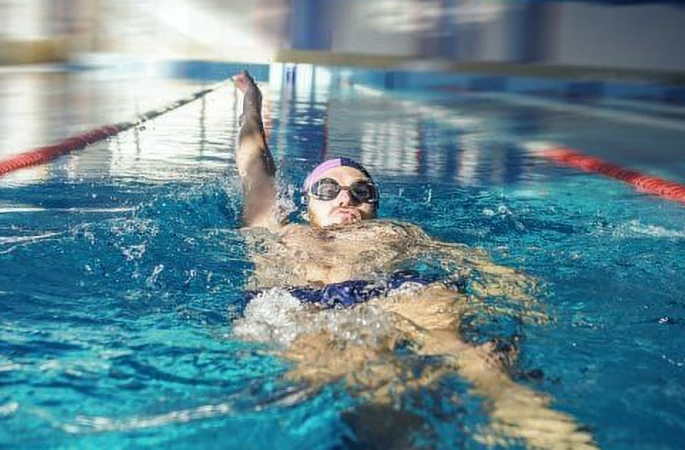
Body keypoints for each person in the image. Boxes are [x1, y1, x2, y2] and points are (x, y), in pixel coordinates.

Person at [231, 70, 595, 449]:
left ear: (374, 204)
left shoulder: (398, 231)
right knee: (353, 373)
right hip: (303, 302)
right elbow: (255, 164)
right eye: (328, 188)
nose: (346, 198)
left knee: (480, 362)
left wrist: (509, 286)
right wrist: (252, 103)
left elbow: (466, 258)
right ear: (306, 202)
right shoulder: (279, 228)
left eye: (361, 190)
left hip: (401, 294)